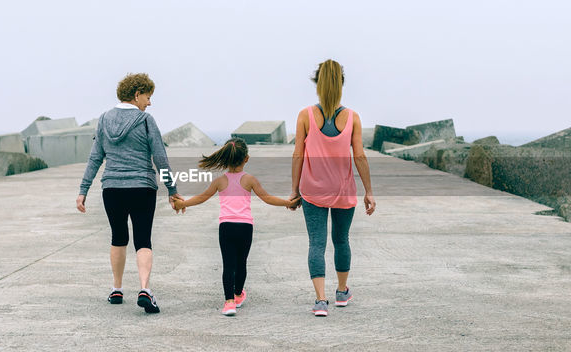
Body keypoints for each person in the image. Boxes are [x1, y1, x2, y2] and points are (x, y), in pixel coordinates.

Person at [76, 73, 183, 314]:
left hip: (112, 188)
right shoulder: (145, 121)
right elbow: (160, 158)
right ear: (137, 94)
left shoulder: (104, 119)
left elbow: (95, 157)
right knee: (143, 239)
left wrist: (83, 190)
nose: (149, 102)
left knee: (118, 237)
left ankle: (117, 289)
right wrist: (172, 189)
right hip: (142, 187)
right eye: (148, 96)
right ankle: (145, 289)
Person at [289, 59, 376, 317]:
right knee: (341, 240)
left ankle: (320, 301)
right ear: (341, 84)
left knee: (316, 243)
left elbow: (297, 155)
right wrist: (369, 191)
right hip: (343, 190)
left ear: (317, 84)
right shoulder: (353, 118)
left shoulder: (305, 115)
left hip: (312, 190)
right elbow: (359, 156)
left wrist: (294, 190)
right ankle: (341, 292)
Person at [173, 138, 299, 316]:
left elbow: (201, 197)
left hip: (226, 227)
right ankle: (238, 294)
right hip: (245, 227)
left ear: (225, 158)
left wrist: (182, 203)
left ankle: (229, 303)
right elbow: (267, 198)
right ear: (246, 159)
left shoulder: (219, 181)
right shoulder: (250, 180)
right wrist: (287, 202)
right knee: (241, 263)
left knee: (228, 265)